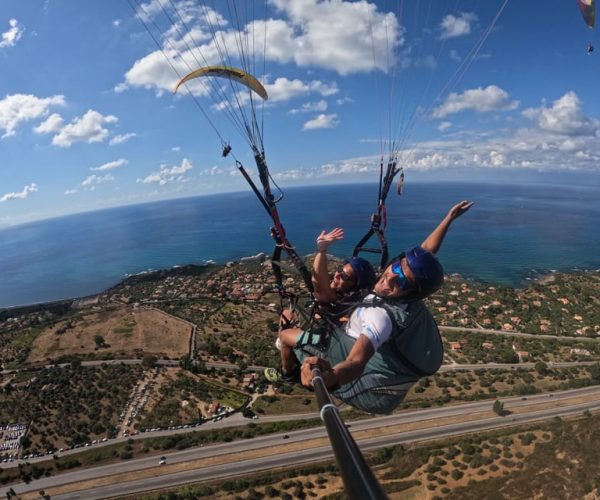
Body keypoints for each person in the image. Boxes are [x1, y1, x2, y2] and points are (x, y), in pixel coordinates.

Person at [273, 200, 473, 414]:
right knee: (287, 315)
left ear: (411, 291)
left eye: (401, 282)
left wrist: (333, 377)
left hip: (335, 350)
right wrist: (448, 219)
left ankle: (287, 373)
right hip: (343, 338)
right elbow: (425, 252)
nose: (389, 279)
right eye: (395, 268)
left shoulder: (379, 317)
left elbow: (357, 360)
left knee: (285, 334)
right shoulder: (401, 296)